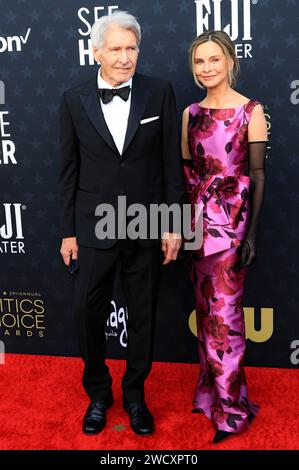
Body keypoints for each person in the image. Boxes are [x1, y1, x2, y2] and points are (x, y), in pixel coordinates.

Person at [58, 11, 183, 436]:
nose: (126, 57)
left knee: (144, 313)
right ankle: (97, 393)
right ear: (95, 52)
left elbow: (171, 162)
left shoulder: (159, 92)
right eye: (116, 49)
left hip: (148, 221)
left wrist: (173, 225)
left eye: (132, 48)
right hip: (93, 226)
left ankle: (135, 395)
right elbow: (68, 170)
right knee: (85, 312)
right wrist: (68, 231)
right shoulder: (73, 99)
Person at [181, 30, 268, 443]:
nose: (206, 68)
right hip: (197, 226)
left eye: (214, 60)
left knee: (226, 319)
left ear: (230, 61)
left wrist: (251, 233)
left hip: (232, 225)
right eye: (199, 62)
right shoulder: (189, 113)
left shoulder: (252, 111)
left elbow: (257, 174)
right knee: (204, 314)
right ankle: (209, 394)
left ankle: (231, 410)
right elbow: (186, 176)